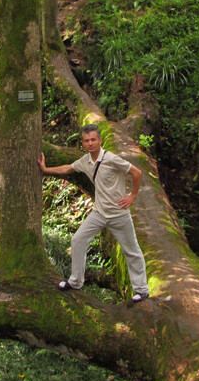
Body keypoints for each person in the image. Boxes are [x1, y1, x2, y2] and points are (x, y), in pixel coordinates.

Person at [38, 124, 150, 302]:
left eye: (93, 140)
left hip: (119, 214)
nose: (90, 143)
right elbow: (68, 168)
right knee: (78, 240)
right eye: (86, 140)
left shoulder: (112, 159)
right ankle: (75, 282)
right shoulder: (85, 161)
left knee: (132, 251)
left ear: (100, 141)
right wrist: (46, 170)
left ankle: (142, 290)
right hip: (99, 213)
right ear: (82, 143)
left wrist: (132, 196)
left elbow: (136, 172)